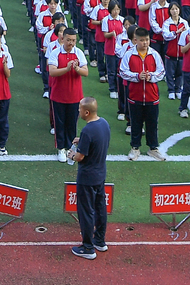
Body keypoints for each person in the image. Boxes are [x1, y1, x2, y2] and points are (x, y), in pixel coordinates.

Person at [70, 97, 110, 260]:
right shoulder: (104, 124)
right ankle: (99, 240)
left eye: (80, 109)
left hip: (87, 177)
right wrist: (83, 141)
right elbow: (98, 141)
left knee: (86, 212)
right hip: (100, 174)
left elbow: (80, 157)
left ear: (86, 112)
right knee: (100, 207)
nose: (78, 111)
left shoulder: (87, 130)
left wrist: (72, 155)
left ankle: (88, 248)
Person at [119, 27, 165, 161]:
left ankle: (153, 148)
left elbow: (161, 72)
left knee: (152, 123)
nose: (145, 43)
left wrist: (151, 76)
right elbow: (123, 72)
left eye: (147, 40)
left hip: (152, 96)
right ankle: (135, 148)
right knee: (136, 123)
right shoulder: (129, 54)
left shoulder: (154, 54)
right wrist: (137, 76)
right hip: (135, 96)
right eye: (142, 40)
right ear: (135, 40)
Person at [48, 28, 88, 162]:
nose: (71, 43)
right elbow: (52, 72)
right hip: (58, 95)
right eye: (69, 40)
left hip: (75, 96)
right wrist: (66, 68)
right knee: (59, 123)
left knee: (72, 123)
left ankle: (70, 147)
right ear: (63, 39)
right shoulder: (55, 53)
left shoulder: (79, 53)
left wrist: (77, 69)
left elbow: (86, 72)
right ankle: (61, 148)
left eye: (73, 40)